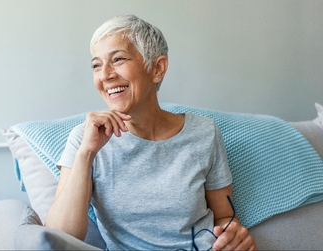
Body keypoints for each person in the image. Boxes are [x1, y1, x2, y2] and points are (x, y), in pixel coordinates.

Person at [45, 14, 256, 250]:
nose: (105, 74)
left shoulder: (205, 133)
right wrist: (86, 153)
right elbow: (59, 237)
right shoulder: (84, 139)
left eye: (118, 59)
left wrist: (234, 238)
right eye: (96, 65)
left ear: (157, 68)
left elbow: (225, 217)